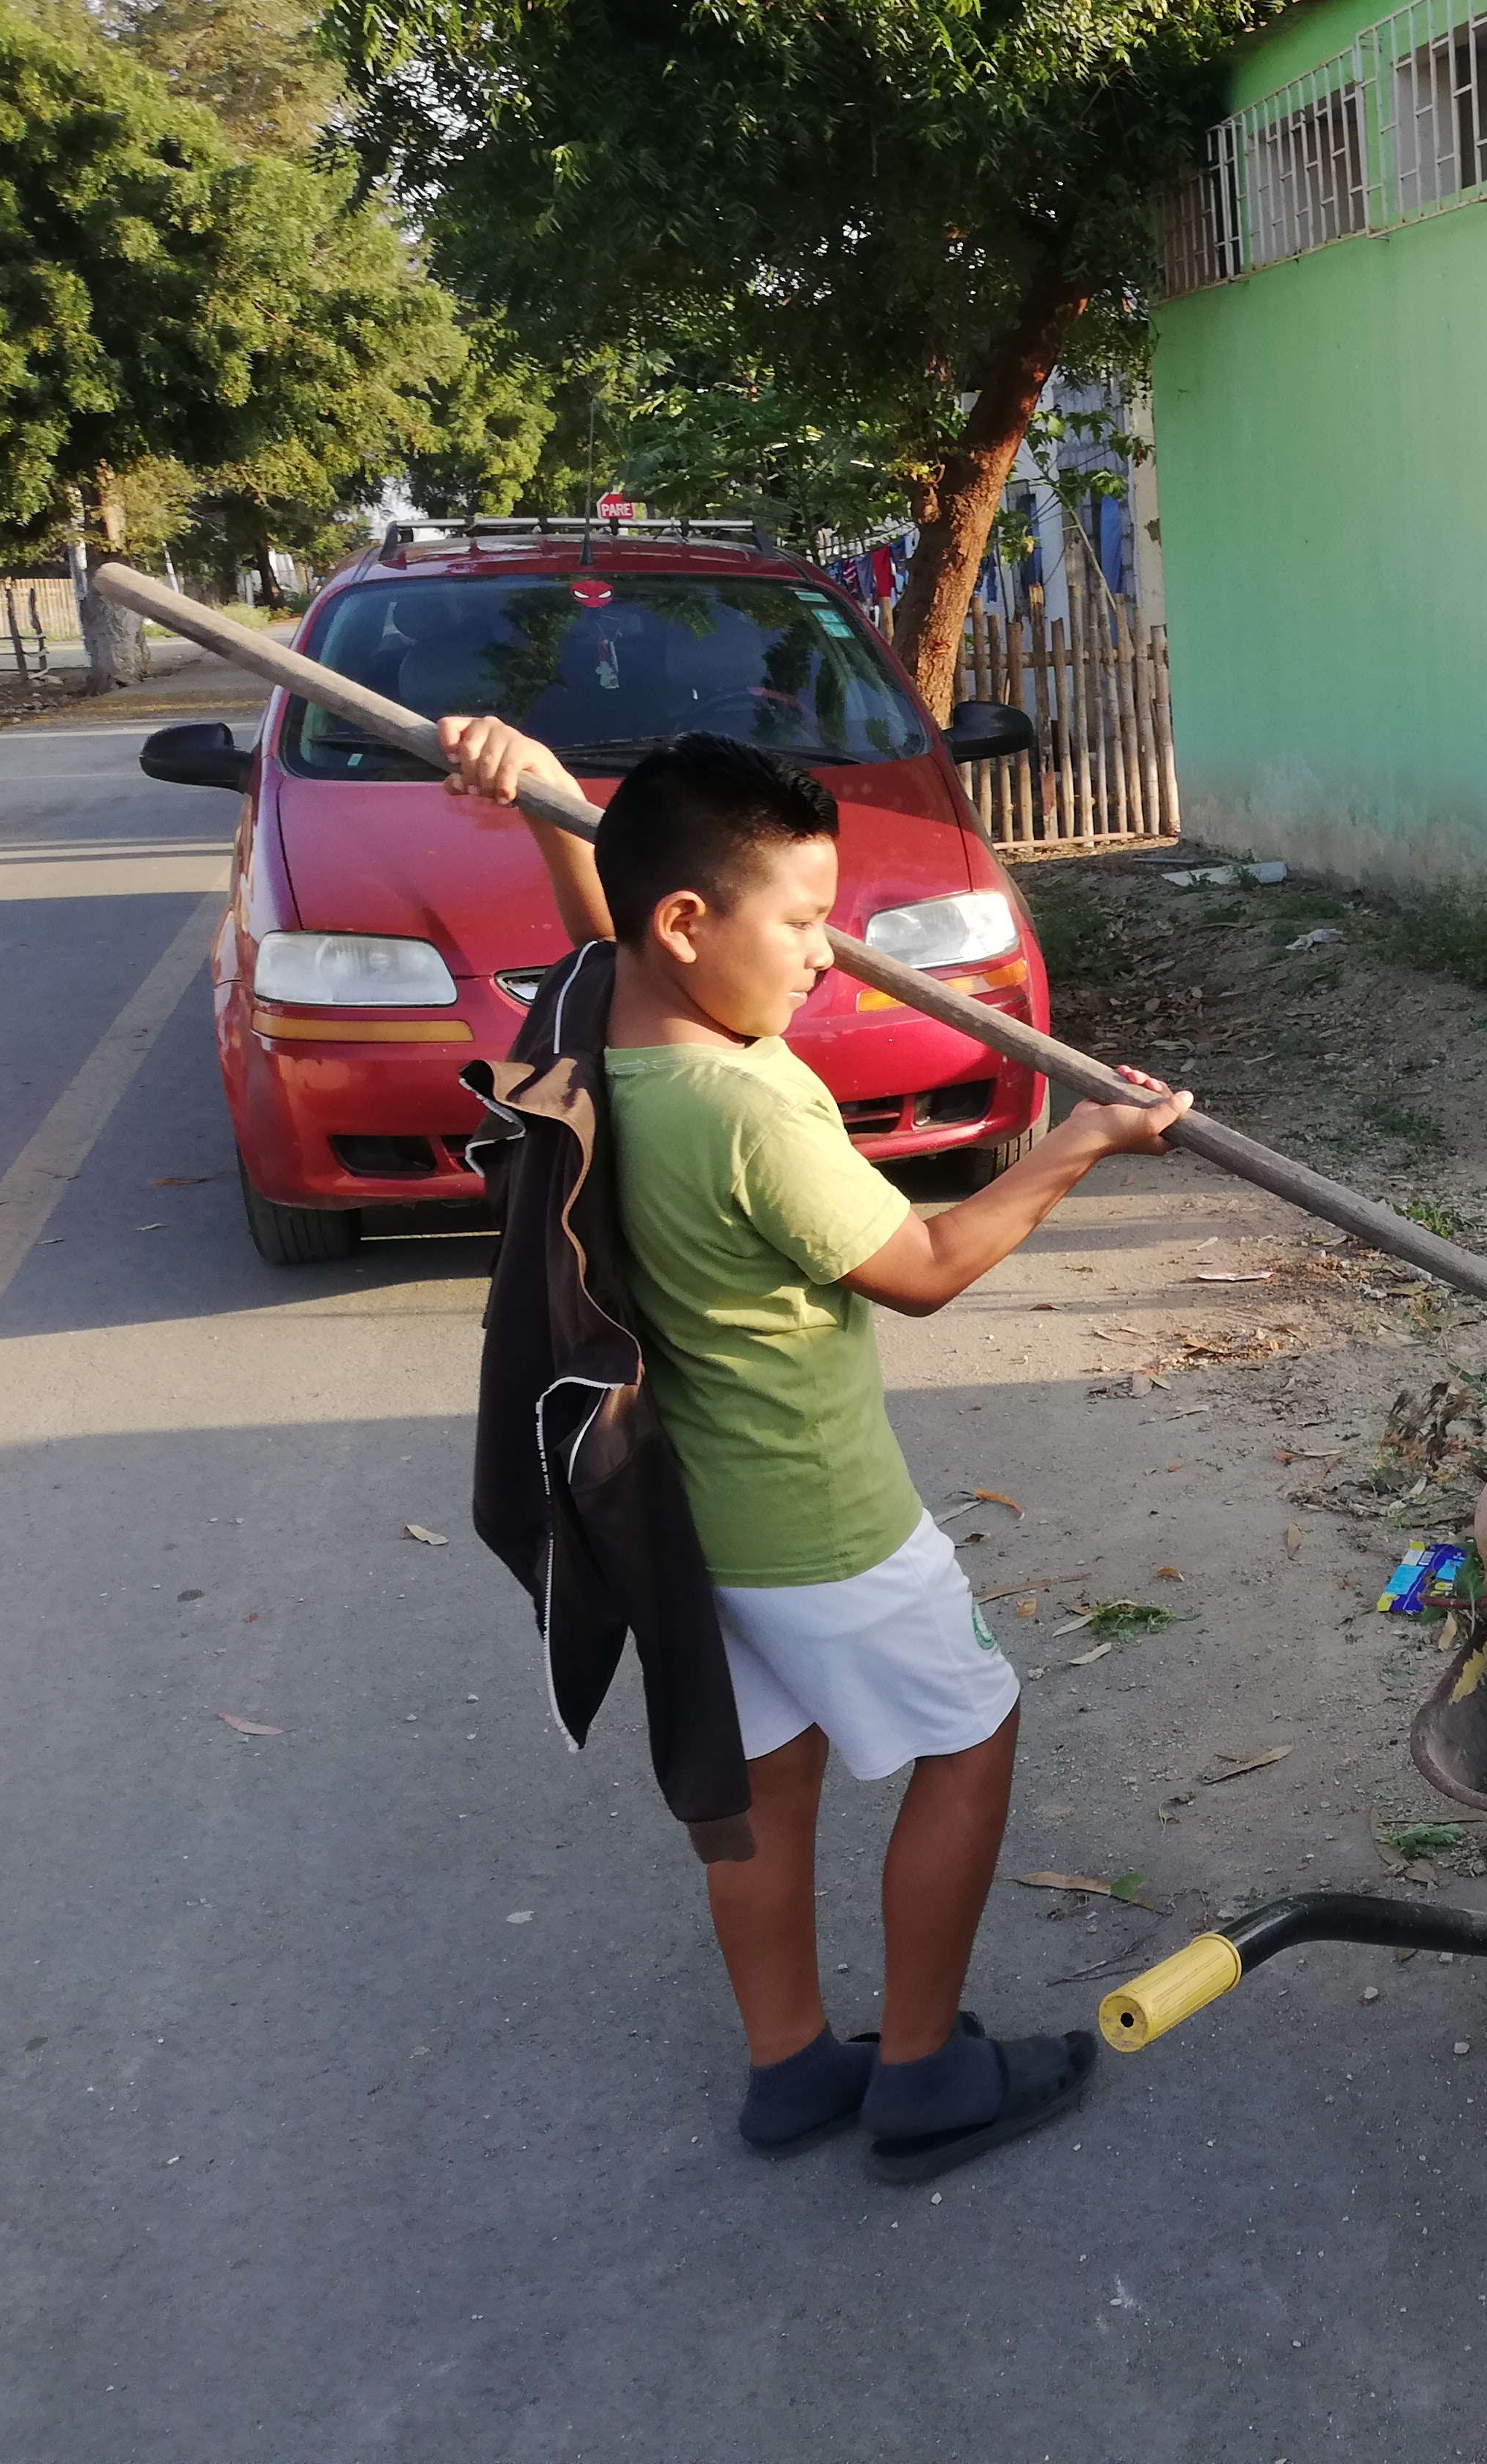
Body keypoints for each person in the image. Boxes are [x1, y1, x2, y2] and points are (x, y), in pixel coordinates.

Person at [443, 715, 1191, 2182]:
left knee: (764, 1785)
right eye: (797, 923)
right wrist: (1083, 1142)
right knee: (971, 1737)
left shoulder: (596, 1032)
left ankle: (789, 2065)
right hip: (818, 1519)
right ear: (685, 922)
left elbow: (605, 930)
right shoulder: (748, 1107)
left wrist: (548, 800)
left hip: (688, 1523)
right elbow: (922, 1266)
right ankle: (921, 2073)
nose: (826, 957)